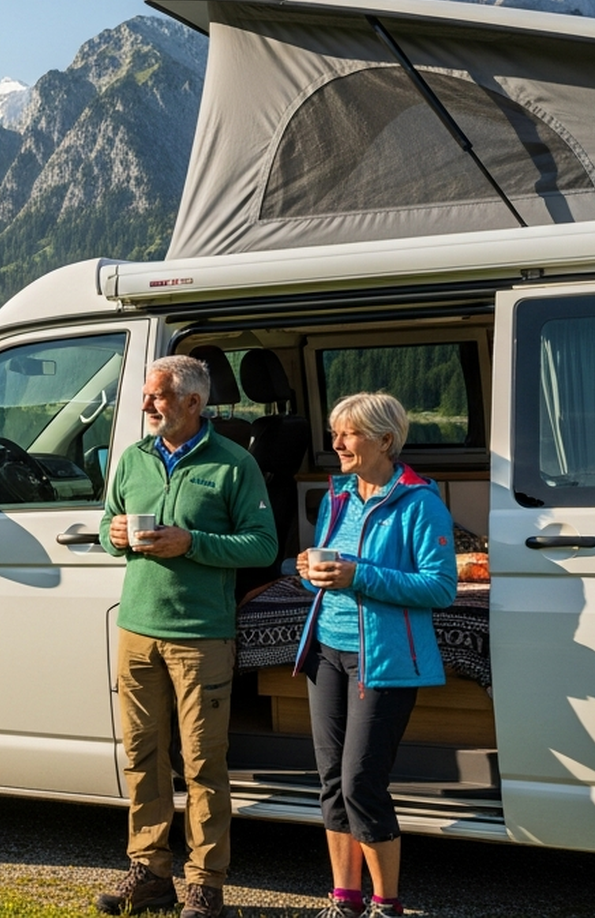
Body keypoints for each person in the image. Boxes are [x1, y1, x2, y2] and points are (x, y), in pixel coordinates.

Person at [97, 355, 278, 918]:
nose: (147, 405)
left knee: (203, 763)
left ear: (193, 403)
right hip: (137, 629)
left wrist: (192, 542)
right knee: (143, 756)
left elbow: (263, 546)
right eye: (148, 397)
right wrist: (118, 534)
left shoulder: (233, 464)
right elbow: (106, 527)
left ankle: (206, 884)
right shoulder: (133, 458)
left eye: (158, 397)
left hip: (201, 636)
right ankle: (149, 872)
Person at [293, 392, 457, 918]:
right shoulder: (336, 497)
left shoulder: (420, 503)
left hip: (381, 660)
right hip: (327, 651)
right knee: (333, 783)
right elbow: (331, 568)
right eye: (336, 432)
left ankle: (387, 906)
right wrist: (308, 568)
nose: (337, 443)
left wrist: (359, 574)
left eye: (349, 434)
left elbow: (440, 587)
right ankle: (345, 901)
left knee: (363, 783)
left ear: (385, 440)